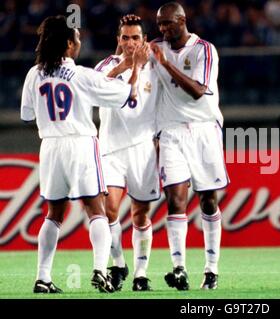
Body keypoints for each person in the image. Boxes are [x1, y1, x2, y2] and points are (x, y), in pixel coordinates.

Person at [20, 15, 149, 293]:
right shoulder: (80, 74)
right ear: (68, 44)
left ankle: (42, 277)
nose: (79, 42)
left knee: (53, 213)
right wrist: (135, 69)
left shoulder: (34, 74)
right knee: (96, 210)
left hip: (50, 145)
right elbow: (125, 95)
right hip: (80, 143)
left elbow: (26, 114)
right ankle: (100, 271)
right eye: (77, 38)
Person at [150, 2, 229, 290]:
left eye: (168, 23)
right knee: (175, 199)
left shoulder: (204, 50)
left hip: (204, 131)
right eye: (159, 24)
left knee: (208, 199)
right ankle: (179, 268)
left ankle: (211, 269)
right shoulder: (155, 48)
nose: (163, 29)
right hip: (170, 132)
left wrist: (165, 63)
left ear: (182, 20)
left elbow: (197, 91)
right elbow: (131, 59)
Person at [95, 14, 160, 292]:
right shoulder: (105, 66)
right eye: (125, 37)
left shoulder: (156, 69)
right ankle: (119, 263)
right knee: (109, 210)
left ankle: (141, 272)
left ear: (144, 40)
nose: (131, 42)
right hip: (110, 148)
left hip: (143, 148)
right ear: (118, 40)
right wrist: (127, 64)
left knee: (140, 215)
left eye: (136, 37)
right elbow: (95, 91)